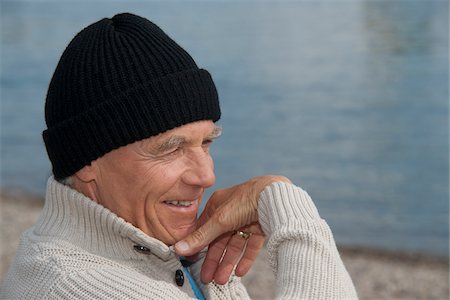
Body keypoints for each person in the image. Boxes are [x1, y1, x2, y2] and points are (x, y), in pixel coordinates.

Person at [1, 13, 358, 299]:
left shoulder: (157, 249)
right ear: (86, 162)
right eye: (170, 148)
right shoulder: (76, 286)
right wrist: (288, 208)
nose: (206, 176)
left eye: (206, 143)